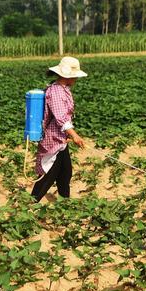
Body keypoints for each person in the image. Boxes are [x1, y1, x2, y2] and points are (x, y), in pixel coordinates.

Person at [31, 56, 87, 202]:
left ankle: (65, 204)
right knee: (49, 175)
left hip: (61, 139)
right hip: (53, 139)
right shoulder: (55, 91)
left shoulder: (63, 89)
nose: (76, 79)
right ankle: (31, 203)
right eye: (74, 76)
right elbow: (60, 116)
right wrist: (74, 135)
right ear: (67, 76)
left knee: (65, 173)